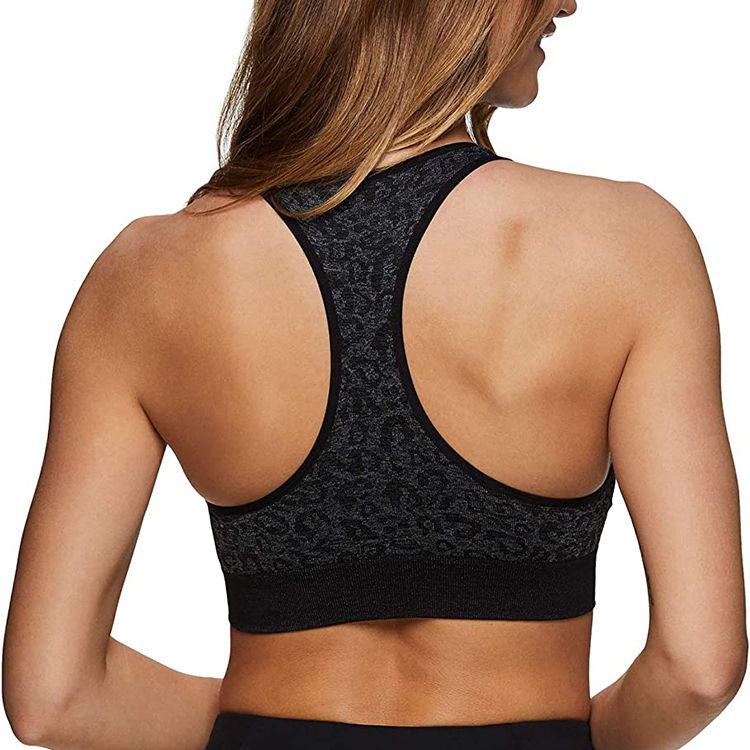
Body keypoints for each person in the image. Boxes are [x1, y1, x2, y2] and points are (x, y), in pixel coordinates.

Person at [3, 1, 746, 749]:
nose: (567, 2)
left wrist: (265, 723)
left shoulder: (147, 274)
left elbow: (54, 697)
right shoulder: (628, 244)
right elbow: (699, 668)